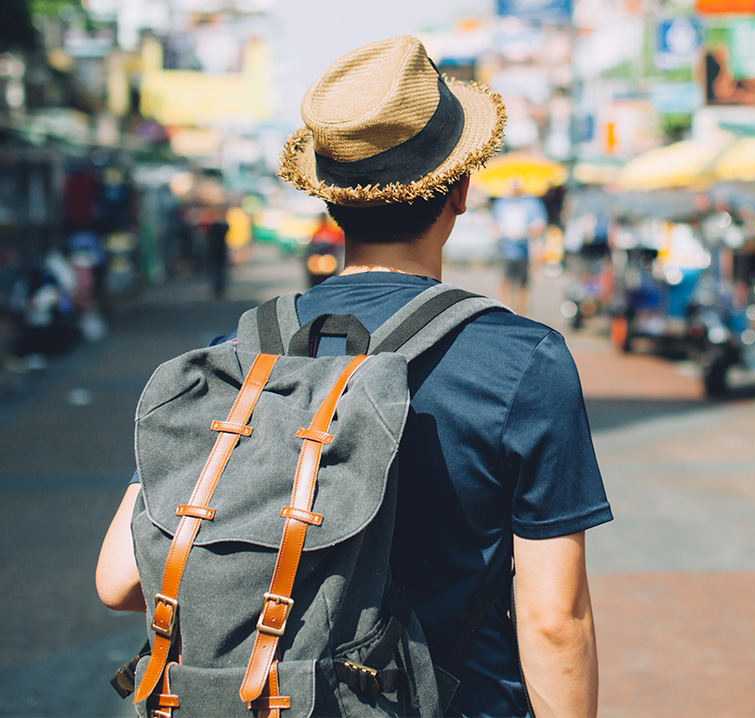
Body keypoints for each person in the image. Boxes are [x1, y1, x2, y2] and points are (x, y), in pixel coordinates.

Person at [96, 35, 612, 718]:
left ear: (329, 201)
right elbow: (554, 620)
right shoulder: (522, 361)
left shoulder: (238, 356)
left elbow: (118, 580)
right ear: (460, 189)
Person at [491, 175, 547, 316]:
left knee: (523, 285)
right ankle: (504, 314)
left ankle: (522, 315)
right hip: (505, 248)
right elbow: (494, 224)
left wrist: (525, 232)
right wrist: (504, 232)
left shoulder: (531, 202)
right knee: (505, 282)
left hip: (524, 250)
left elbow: (540, 224)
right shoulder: (502, 202)